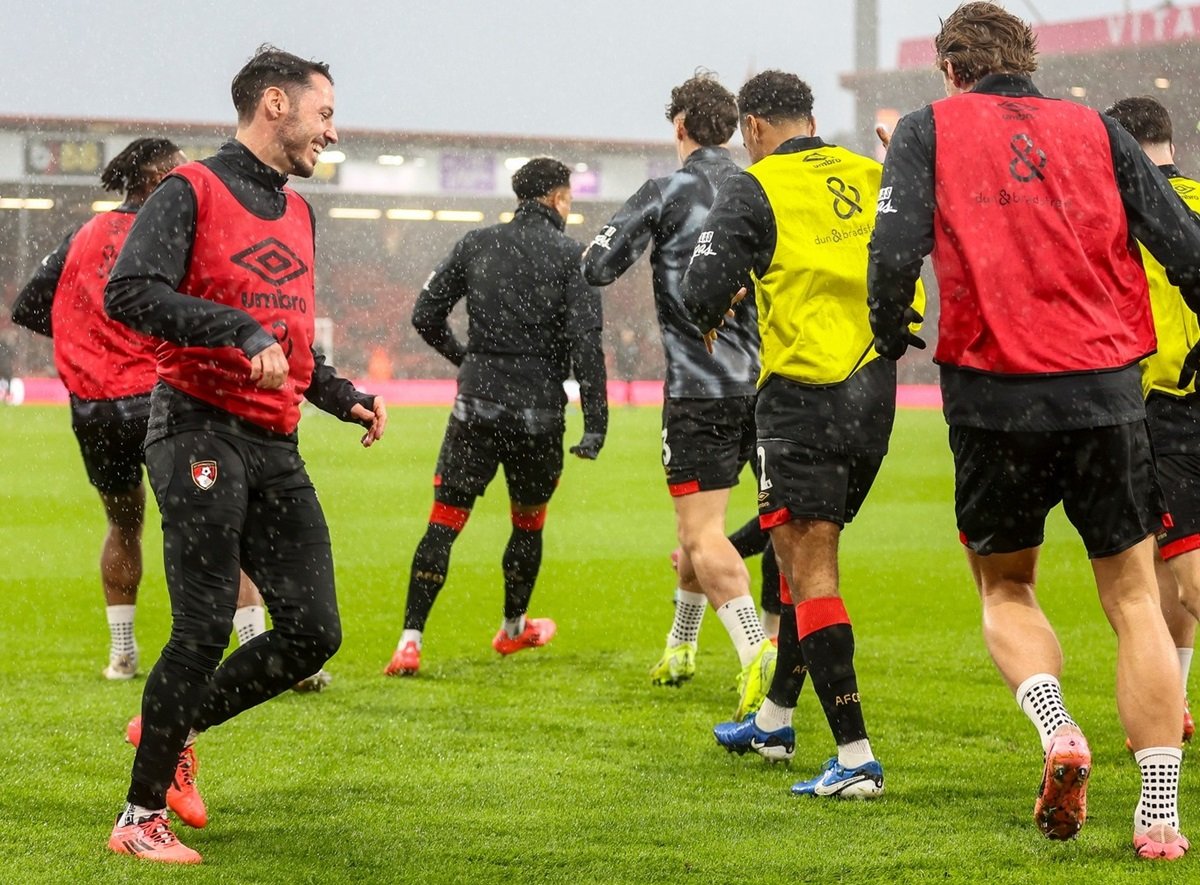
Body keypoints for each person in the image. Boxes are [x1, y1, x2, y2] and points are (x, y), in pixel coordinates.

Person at [867, 2, 1199, 859]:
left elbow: (894, 243)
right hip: (1105, 390)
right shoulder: (1096, 129)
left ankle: (1058, 731)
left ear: (950, 68)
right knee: (1133, 601)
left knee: (1006, 588)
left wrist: (887, 321)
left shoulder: (926, 128)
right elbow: (1183, 243)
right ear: (1031, 59)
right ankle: (1159, 813)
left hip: (992, 393)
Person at [102, 45, 386, 864]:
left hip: (276, 440)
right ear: (275, 104)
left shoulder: (298, 211)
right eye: (323, 113)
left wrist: (335, 392)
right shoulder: (191, 188)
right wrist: (236, 330)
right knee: (200, 628)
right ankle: (138, 816)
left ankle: (173, 725)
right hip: (196, 426)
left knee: (312, 629)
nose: (331, 131)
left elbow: (287, 333)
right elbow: (132, 291)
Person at [684, 69, 922, 799]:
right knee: (796, 560)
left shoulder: (756, 188)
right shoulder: (868, 170)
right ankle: (776, 719)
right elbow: (910, 258)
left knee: (810, 569)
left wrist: (722, 300)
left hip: (802, 396)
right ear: (812, 117)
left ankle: (855, 758)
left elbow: (699, 287)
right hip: (875, 393)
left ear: (752, 128)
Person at [583, 72, 775, 712]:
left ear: (680, 126)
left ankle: (756, 650)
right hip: (771, 387)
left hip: (700, 389)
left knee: (701, 534)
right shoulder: (761, 188)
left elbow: (597, 266)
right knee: (724, 524)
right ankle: (682, 643)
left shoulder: (667, 192)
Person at [384, 157, 606, 676]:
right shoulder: (573, 258)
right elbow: (587, 346)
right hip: (539, 413)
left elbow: (424, 315)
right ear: (556, 199)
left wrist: (467, 360)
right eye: (569, 198)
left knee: (443, 522)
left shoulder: (478, 244)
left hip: (476, 406)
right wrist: (596, 423)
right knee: (527, 524)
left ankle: (409, 641)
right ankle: (512, 629)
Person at [11, 138, 187, 680]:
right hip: (155, 398)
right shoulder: (168, 233)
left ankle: (122, 654)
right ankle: (253, 642)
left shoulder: (82, 235)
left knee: (123, 523)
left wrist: (87, 337)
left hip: (95, 408)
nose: (189, 184)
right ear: (157, 180)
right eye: (179, 174)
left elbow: (27, 306)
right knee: (210, 519)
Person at [1105, 95, 1198, 746]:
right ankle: (1176, 698)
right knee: (1170, 571)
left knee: (1183, 578)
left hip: (1167, 410)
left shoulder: (1124, 216)